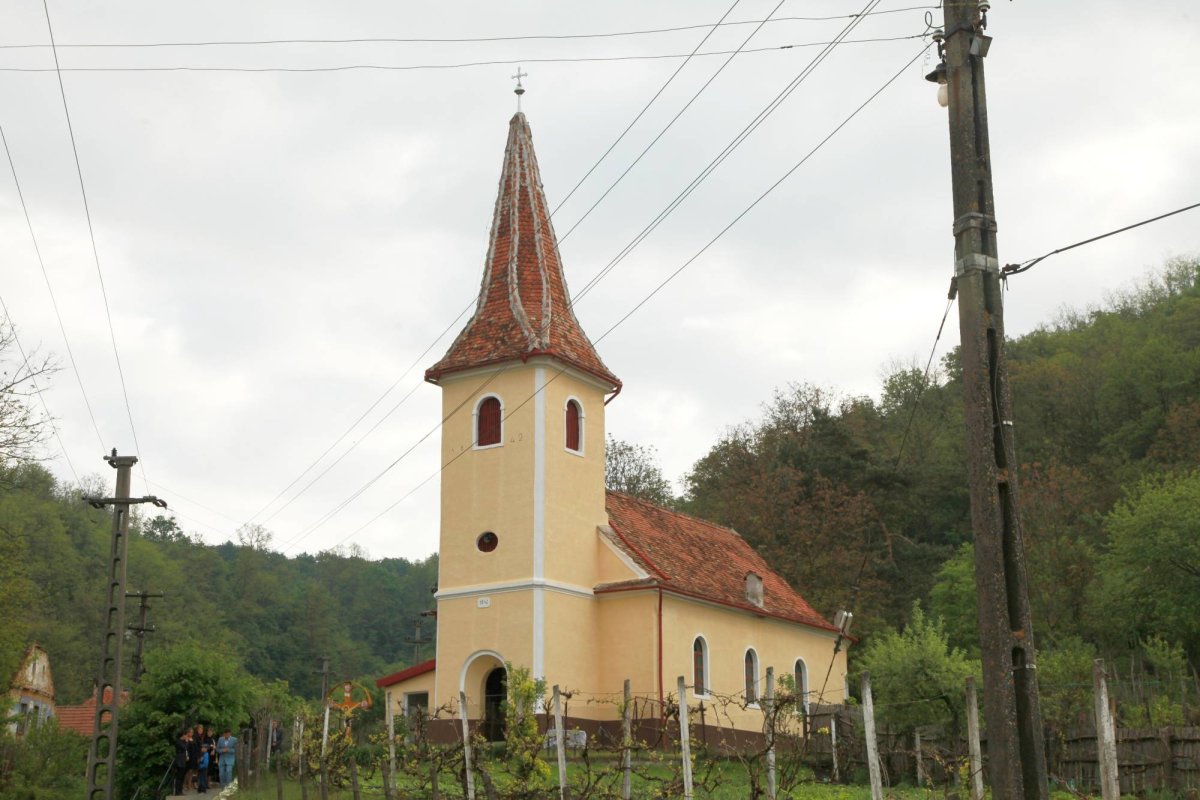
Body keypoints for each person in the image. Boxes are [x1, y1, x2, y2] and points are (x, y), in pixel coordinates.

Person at [173, 729, 191, 796]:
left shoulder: (183, 741)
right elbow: (184, 748)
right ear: (183, 735)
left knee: (182, 776)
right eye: (185, 735)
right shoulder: (178, 742)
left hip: (184, 761)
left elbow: (187, 747)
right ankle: (177, 791)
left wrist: (187, 742)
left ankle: (180, 790)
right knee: (179, 777)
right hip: (179, 761)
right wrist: (186, 742)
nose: (186, 736)